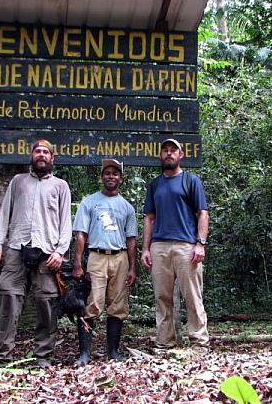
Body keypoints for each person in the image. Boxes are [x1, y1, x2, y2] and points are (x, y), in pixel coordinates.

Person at [0, 140, 72, 367]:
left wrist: (60, 252)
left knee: (47, 302)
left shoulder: (60, 186)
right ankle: (1, 357)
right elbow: (5, 212)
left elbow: (66, 222)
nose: (42, 155)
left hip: (47, 251)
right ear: (31, 156)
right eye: (38, 151)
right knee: (8, 296)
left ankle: (43, 355)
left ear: (52, 158)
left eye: (46, 152)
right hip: (17, 247)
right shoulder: (18, 182)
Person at [140, 138, 210, 351]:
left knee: (192, 295)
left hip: (186, 246)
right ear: (160, 156)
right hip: (159, 246)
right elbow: (149, 218)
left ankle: (199, 342)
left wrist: (201, 243)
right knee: (162, 297)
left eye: (173, 150)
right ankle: (165, 343)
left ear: (181, 155)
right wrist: (145, 249)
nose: (169, 154)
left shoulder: (191, 181)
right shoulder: (155, 185)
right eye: (165, 151)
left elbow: (202, 213)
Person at [72, 159, 138, 365]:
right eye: (107, 173)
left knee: (118, 306)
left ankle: (113, 352)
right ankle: (84, 354)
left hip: (120, 257)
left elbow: (131, 239)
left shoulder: (127, 207)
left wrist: (132, 268)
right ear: (102, 177)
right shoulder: (89, 202)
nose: (111, 176)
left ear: (121, 179)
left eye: (115, 173)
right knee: (91, 304)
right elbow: (81, 234)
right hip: (96, 256)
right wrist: (77, 264)